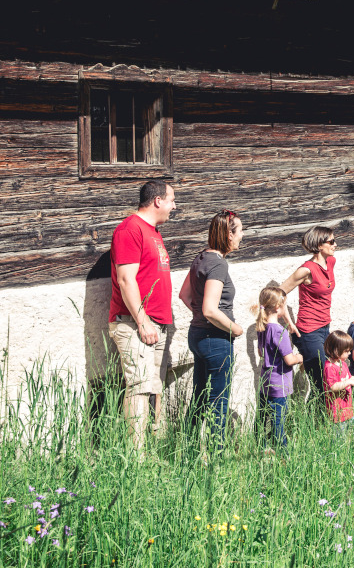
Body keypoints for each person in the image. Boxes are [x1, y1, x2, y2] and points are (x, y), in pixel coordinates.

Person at [108, 180, 177, 448]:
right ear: (157, 201)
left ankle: (153, 451)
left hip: (155, 325)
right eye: (172, 200)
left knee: (153, 388)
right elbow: (126, 280)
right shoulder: (130, 230)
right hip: (135, 324)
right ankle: (135, 459)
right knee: (138, 388)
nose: (174, 206)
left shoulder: (153, 232)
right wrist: (142, 320)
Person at [178, 210, 245, 443]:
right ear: (229, 234)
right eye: (239, 231)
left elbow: (184, 295)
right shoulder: (218, 265)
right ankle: (217, 457)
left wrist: (200, 316)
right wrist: (234, 329)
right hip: (216, 340)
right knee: (219, 400)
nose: (242, 236)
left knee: (199, 397)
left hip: (197, 336)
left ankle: (189, 450)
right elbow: (209, 309)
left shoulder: (201, 258)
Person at [279, 226, 336, 402]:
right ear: (319, 245)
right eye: (332, 242)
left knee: (327, 379)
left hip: (324, 328)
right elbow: (278, 293)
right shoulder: (306, 270)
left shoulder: (331, 262)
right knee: (321, 383)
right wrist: (290, 322)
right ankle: (319, 424)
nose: (336, 245)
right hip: (308, 332)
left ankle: (322, 424)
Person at [255, 287, 302, 448]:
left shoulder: (262, 327)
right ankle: (282, 452)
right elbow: (289, 360)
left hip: (265, 382)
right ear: (277, 307)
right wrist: (300, 358)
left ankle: (261, 447)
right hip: (279, 384)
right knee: (278, 420)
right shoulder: (279, 331)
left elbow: (261, 352)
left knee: (263, 418)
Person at [322, 330, 354, 424]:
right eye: (347, 351)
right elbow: (333, 386)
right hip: (337, 414)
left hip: (348, 411)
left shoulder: (342, 364)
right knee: (340, 437)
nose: (350, 353)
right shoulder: (329, 367)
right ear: (336, 351)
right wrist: (349, 382)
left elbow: (350, 378)